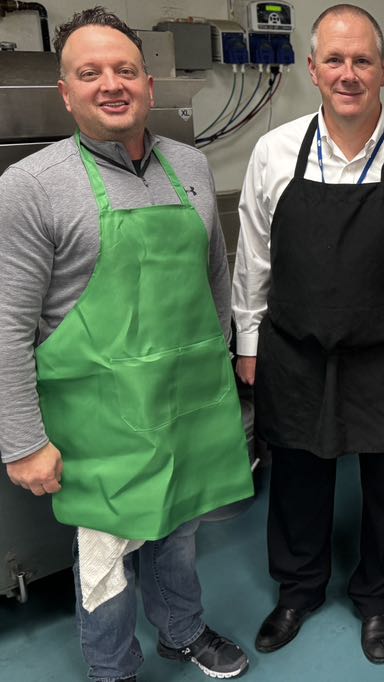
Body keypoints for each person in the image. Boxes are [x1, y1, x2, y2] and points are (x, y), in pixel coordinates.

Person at [0, 7, 254, 681]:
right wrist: (23, 440)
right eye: (90, 73)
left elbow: (214, 281)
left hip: (183, 403)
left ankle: (182, 629)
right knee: (105, 557)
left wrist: (219, 381)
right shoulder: (31, 187)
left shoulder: (191, 166)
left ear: (146, 82)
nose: (110, 84)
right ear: (66, 91)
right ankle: (113, 667)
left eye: (124, 70)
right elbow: (6, 326)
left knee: (178, 531)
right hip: (99, 420)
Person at [232, 3, 384, 664]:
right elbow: (254, 262)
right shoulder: (274, 153)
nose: (349, 73)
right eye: (335, 59)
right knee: (297, 479)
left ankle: (377, 599)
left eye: (362, 60)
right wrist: (249, 344)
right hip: (296, 352)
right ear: (312, 69)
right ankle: (298, 590)